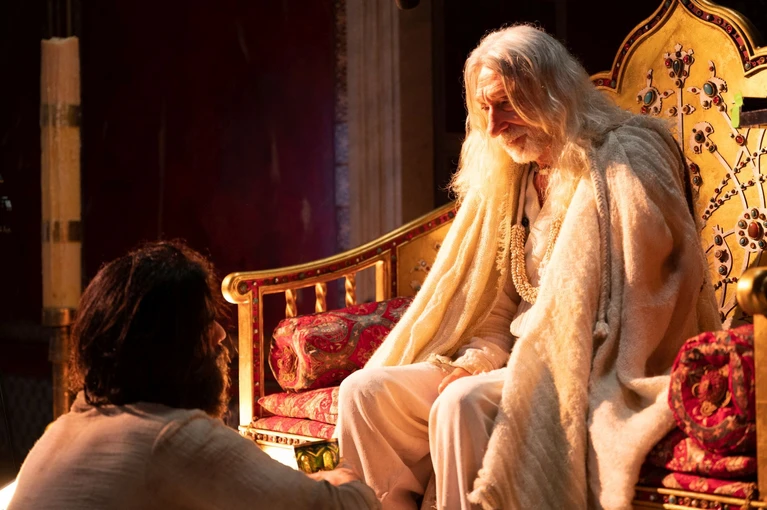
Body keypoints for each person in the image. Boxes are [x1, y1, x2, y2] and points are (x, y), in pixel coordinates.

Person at [336, 24, 720, 510]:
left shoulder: (625, 157)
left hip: (580, 362)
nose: (493, 126)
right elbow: (494, 307)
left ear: (551, 93)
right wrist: (476, 360)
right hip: (507, 362)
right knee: (364, 393)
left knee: (460, 404)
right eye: (484, 109)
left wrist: (510, 368)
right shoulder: (511, 178)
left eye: (506, 105)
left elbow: (646, 305)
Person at [9, 240, 379, 510]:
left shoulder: (62, 428)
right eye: (205, 323)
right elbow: (344, 508)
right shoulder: (171, 436)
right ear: (170, 345)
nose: (220, 335)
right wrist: (341, 473)